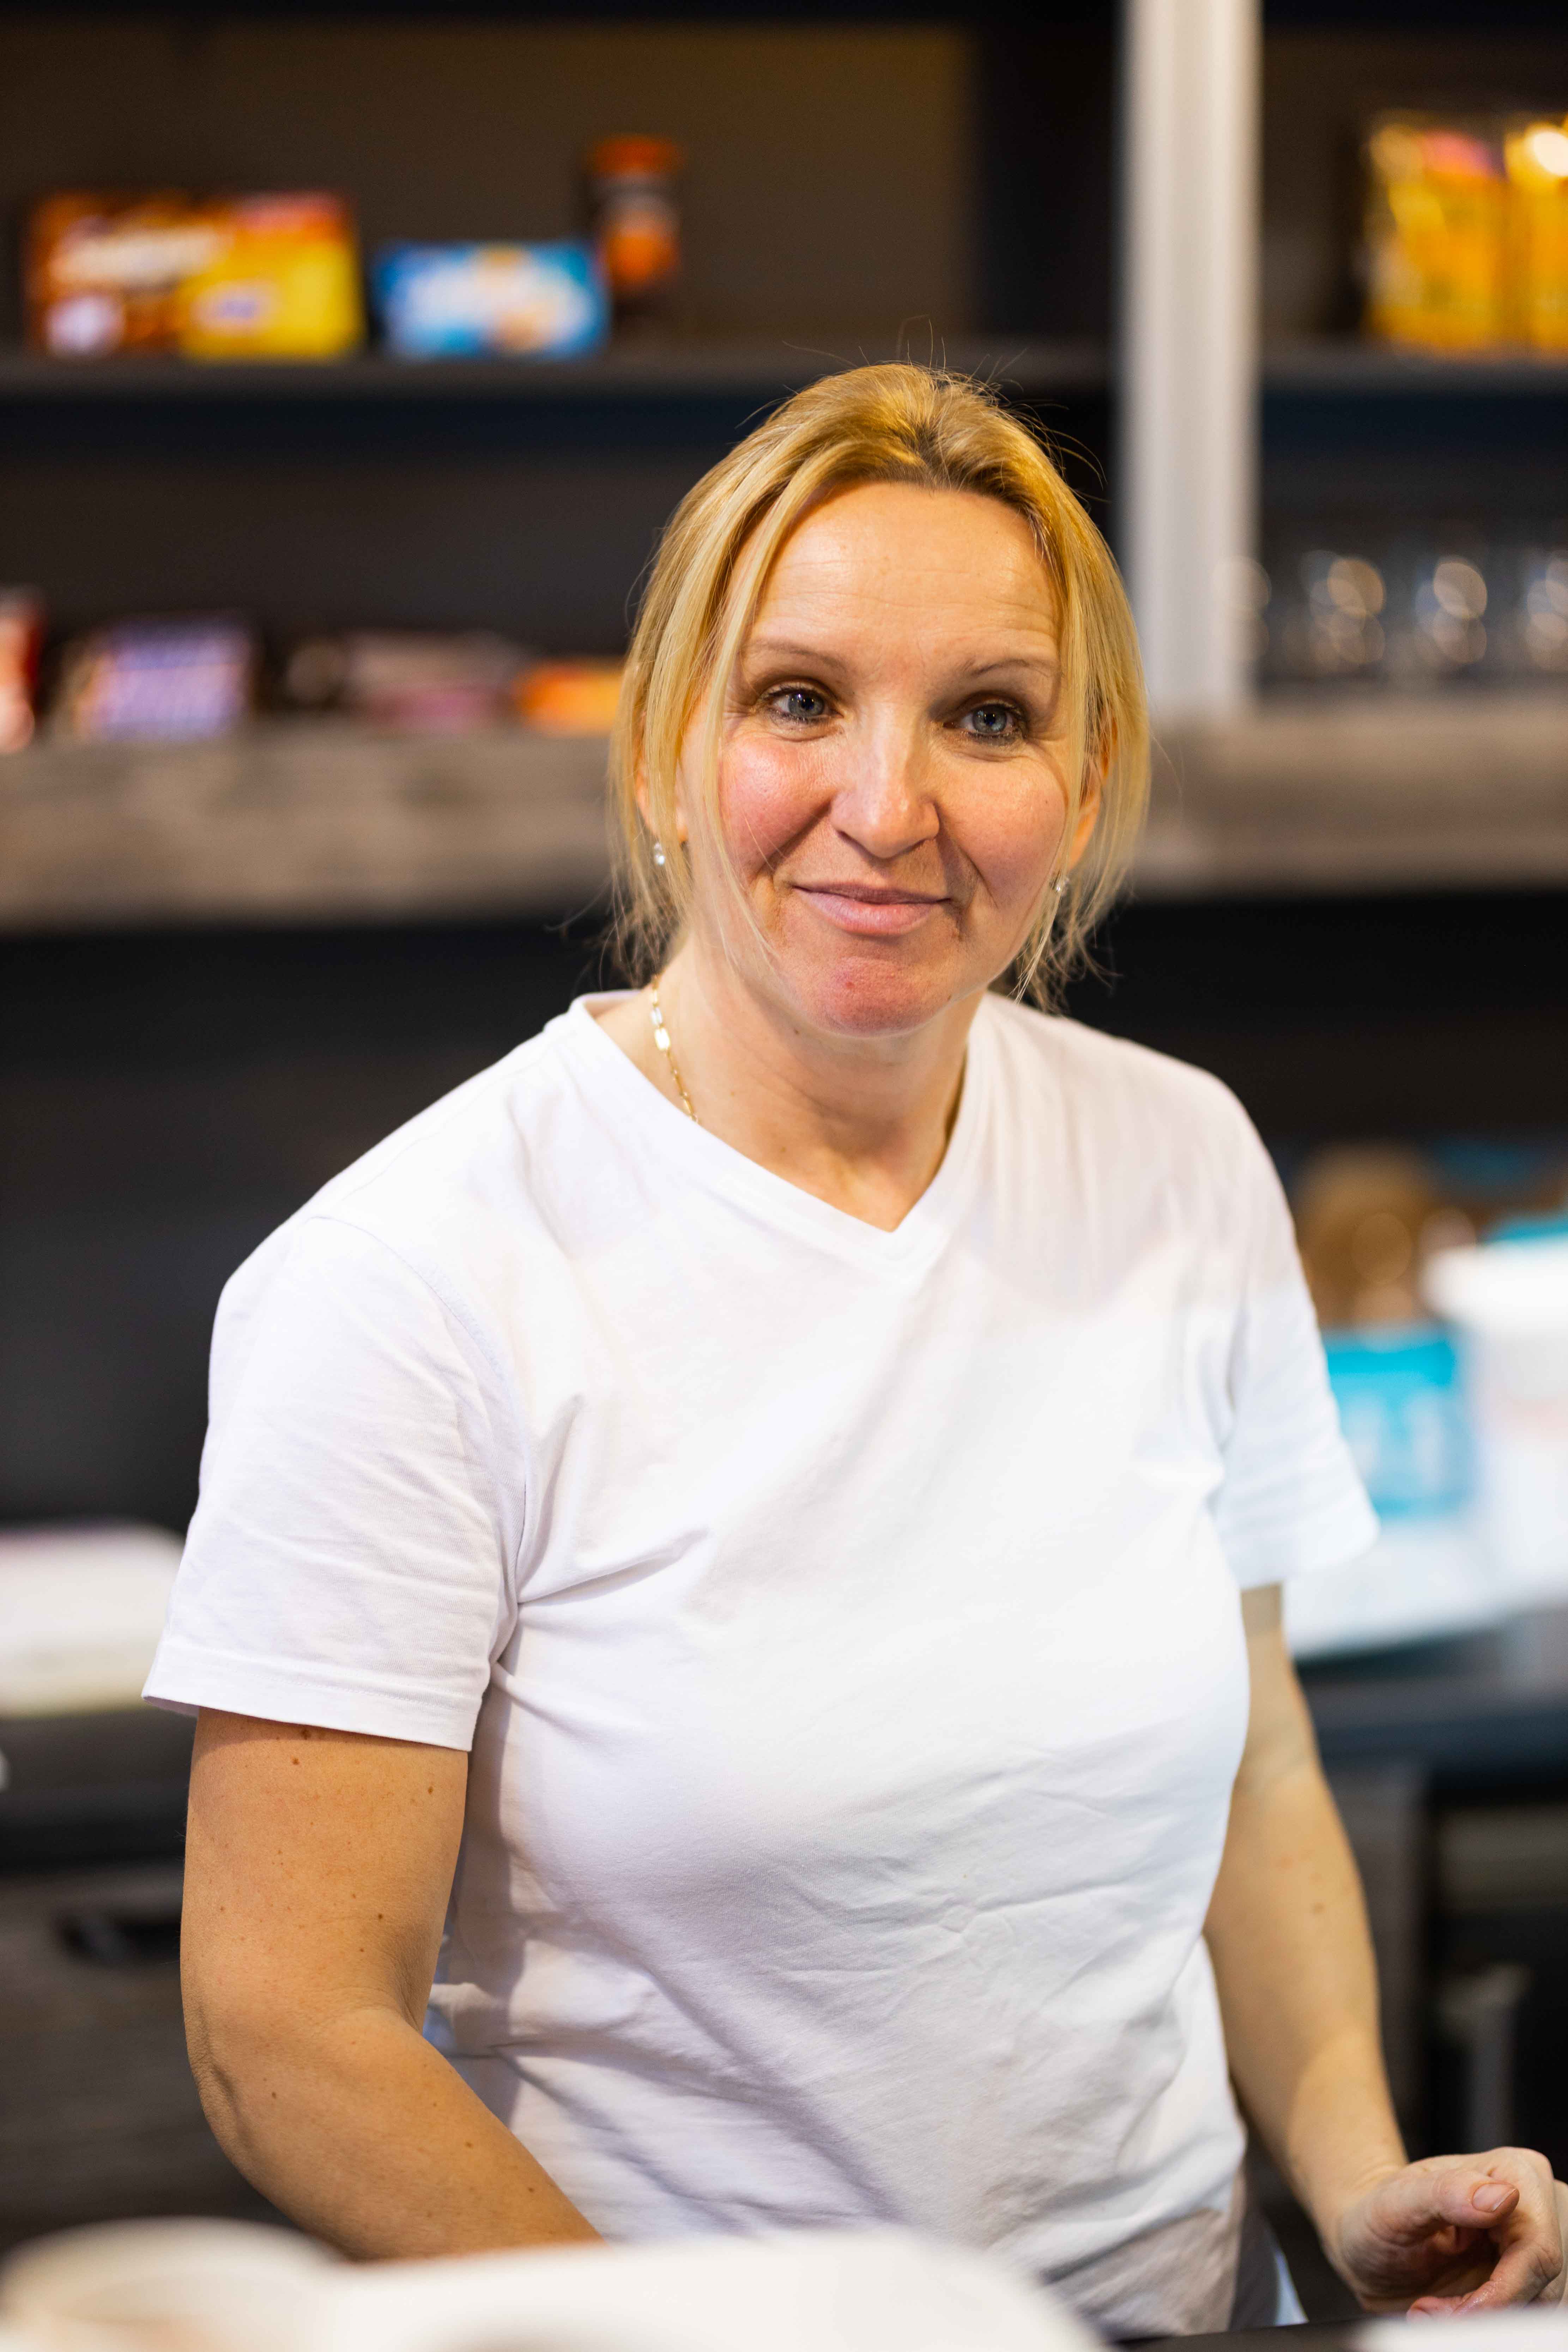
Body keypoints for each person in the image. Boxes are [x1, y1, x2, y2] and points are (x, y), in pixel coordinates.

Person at [149, 365, 1566, 2336]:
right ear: (665, 747)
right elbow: (288, 2030)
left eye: (988, 717)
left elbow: (1252, 1768)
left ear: (1082, 789)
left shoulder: (1178, 1159)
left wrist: (1356, 2176)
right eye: (798, 698)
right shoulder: (413, 1277)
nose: (888, 810)